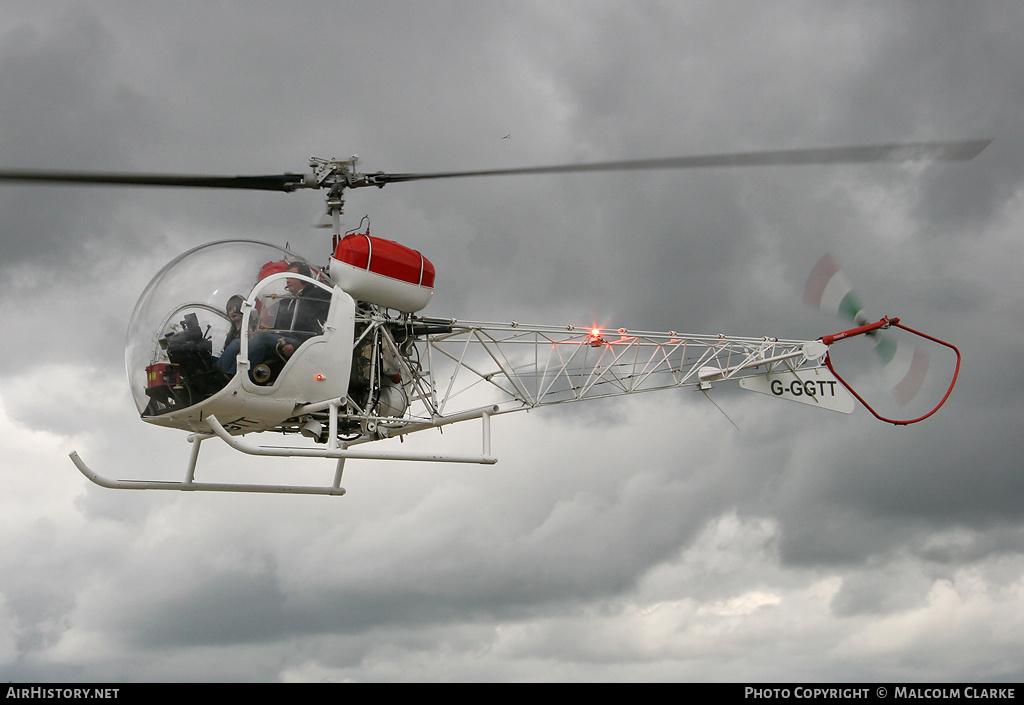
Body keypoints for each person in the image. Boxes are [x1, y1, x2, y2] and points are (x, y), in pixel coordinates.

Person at [216, 263, 331, 377]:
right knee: (239, 342)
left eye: (291, 276)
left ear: (304, 277)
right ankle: (219, 374)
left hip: (301, 342)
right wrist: (259, 332)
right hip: (282, 338)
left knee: (262, 338)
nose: (287, 280)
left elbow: (319, 328)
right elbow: (276, 326)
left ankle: (234, 376)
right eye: (286, 277)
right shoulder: (287, 300)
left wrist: (296, 345)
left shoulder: (317, 296)